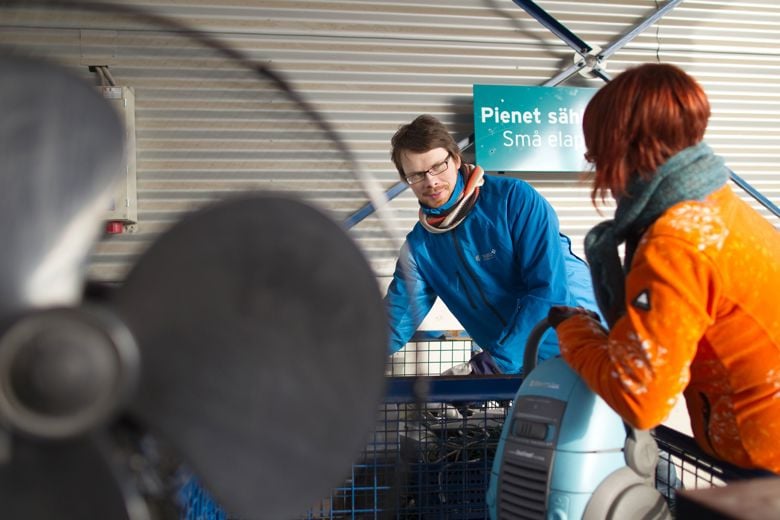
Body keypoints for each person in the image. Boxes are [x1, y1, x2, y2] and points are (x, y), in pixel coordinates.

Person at [548, 63, 780, 473]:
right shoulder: (722, 208)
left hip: (765, 470)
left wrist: (576, 332)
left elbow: (641, 400)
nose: (594, 166)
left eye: (595, 152)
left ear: (622, 148)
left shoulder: (676, 242)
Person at [384, 114, 600, 375]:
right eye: (417, 175)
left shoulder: (513, 200)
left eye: (438, 167)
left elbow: (549, 290)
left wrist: (492, 365)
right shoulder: (420, 249)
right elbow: (396, 321)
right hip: (520, 369)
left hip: (585, 348)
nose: (431, 181)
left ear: (455, 158)